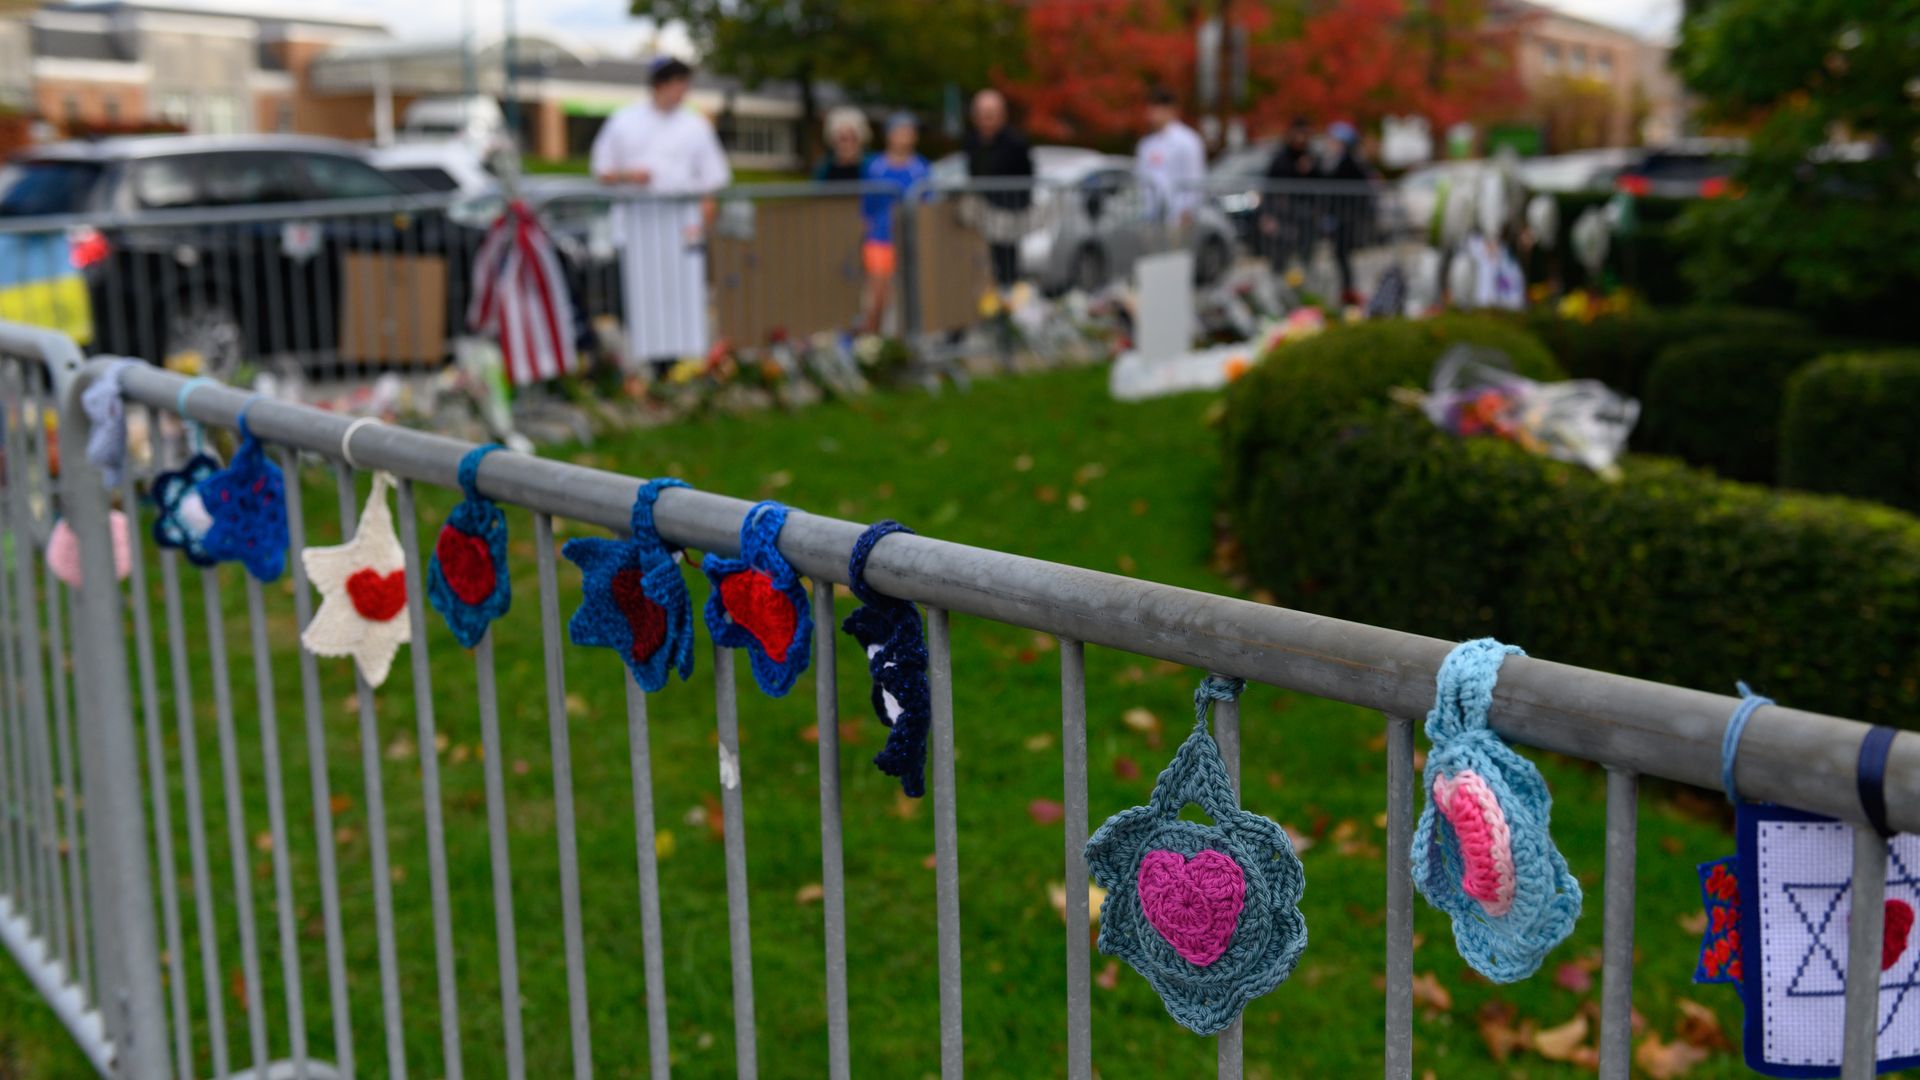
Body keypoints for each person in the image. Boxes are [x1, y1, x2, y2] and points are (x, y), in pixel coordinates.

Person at [589, 57, 732, 369]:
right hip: (637, 222)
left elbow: (712, 181)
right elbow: (601, 170)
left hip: (682, 224)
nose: (682, 92)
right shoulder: (624, 121)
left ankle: (681, 360)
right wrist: (630, 176)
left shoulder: (695, 125)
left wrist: (703, 222)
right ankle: (644, 362)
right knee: (642, 294)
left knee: (682, 295)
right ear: (660, 85)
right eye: (677, 84)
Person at [859, 113, 930, 333]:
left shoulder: (921, 167)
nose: (904, 137)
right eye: (899, 131)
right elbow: (865, 205)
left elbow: (927, 206)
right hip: (880, 239)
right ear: (889, 135)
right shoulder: (875, 167)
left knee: (912, 298)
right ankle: (872, 343)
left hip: (911, 241)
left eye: (909, 132)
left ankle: (909, 344)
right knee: (878, 298)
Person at [960, 88, 1035, 290]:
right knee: (978, 259)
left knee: (1006, 258)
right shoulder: (972, 141)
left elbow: (1027, 178)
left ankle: (1007, 299)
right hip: (981, 210)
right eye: (982, 115)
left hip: (1007, 210)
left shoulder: (1015, 143)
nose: (986, 121)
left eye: (991, 115)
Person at [1134, 86, 1206, 241]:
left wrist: (1187, 211)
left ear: (1170, 110)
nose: (1152, 114)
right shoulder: (1147, 143)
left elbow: (1194, 177)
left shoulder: (1187, 141)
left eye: (1157, 109)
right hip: (1151, 216)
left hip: (1177, 215)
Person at [1322, 120, 1378, 307]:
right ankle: (1346, 291)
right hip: (1340, 217)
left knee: (1344, 258)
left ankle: (1349, 293)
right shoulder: (1339, 161)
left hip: (1346, 218)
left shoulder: (1350, 163)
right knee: (1341, 258)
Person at [1260, 117, 1317, 273]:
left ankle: (1304, 286)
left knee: (1305, 254)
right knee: (1281, 254)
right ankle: (1279, 286)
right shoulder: (1281, 158)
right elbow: (1270, 186)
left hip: (1305, 214)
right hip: (1283, 213)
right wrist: (1268, 213)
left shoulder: (1310, 157)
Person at [815, 107, 869, 183]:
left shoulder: (871, 167)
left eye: (853, 138)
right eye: (842, 138)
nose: (847, 144)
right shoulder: (824, 169)